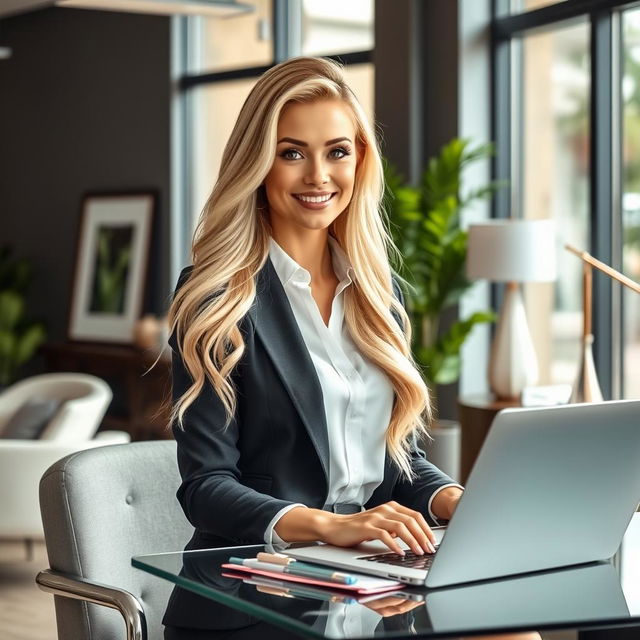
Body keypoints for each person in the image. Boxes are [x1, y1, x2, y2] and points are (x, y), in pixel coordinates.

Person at [166, 55, 463, 579]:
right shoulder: (213, 296)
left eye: (338, 152)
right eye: (292, 153)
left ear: (360, 161)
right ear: (258, 163)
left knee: (510, 628)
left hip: (374, 568)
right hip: (256, 581)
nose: (318, 176)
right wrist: (329, 526)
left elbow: (398, 460)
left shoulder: (379, 294)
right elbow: (206, 487)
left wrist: (453, 499)